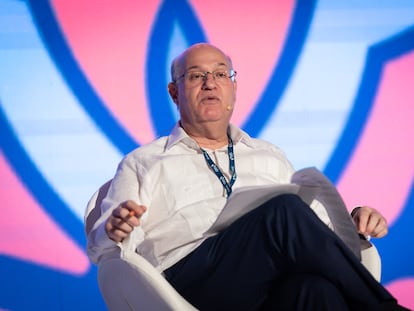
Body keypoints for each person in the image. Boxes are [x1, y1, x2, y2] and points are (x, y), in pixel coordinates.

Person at [87, 43, 408, 310]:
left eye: (220, 74)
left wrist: (353, 224)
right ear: (174, 92)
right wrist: (113, 229)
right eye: (197, 75)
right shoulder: (143, 161)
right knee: (282, 209)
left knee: (314, 290)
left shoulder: (268, 155)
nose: (210, 83)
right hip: (188, 284)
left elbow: (316, 231)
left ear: (233, 87)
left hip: (263, 283)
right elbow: (99, 248)